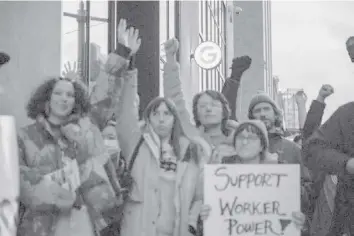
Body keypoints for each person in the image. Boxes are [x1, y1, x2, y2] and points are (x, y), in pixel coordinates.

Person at [17, 76, 122, 236]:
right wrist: (60, 191)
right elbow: (21, 182)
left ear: (76, 102)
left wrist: (122, 52)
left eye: (70, 95)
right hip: (40, 226)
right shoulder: (25, 136)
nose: (64, 98)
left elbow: (105, 95)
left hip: (83, 221)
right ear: (47, 98)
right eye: (58, 93)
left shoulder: (86, 131)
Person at [199, 120, 306, 232]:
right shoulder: (220, 177)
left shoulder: (281, 176)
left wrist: (299, 222)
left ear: (262, 146)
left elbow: (293, 215)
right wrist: (205, 218)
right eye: (240, 137)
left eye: (251, 138)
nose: (245, 142)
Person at [163, 38, 248, 163]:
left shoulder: (241, 141)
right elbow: (174, 97)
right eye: (202, 106)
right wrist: (170, 60)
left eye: (214, 105)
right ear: (196, 114)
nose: (208, 109)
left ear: (224, 111)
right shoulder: (190, 135)